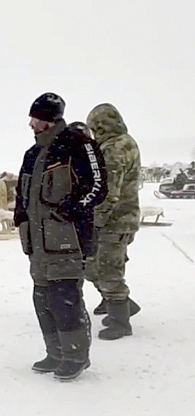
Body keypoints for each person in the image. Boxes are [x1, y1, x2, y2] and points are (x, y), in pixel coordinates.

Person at [14, 92, 107, 381]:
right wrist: (20, 217)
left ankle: (76, 356)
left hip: (68, 239)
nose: (31, 124)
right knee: (41, 296)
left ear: (50, 120)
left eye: (36, 119)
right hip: (38, 242)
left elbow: (98, 185)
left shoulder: (77, 144)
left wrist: (73, 208)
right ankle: (54, 353)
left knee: (64, 297)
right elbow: (22, 192)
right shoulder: (32, 154)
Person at [85, 104, 142, 340]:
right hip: (122, 219)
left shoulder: (114, 148)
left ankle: (121, 320)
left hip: (114, 221)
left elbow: (109, 192)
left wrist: (95, 222)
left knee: (108, 269)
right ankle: (119, 304)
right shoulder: (124, 142)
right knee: (94, 265)